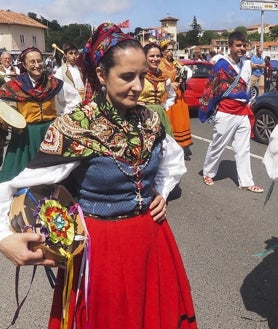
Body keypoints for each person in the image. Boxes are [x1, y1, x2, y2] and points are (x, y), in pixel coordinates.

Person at [0, 23, 198, 329]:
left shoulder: (150, 120)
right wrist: (4, 238)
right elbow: (14, 186)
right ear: (103, 76)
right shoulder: (77, 127)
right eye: (127, 76)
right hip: (100, 250)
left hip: (152, 240)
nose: (137, 86)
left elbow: (171, 162)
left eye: (142, 76)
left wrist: (159, 192)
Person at [0, 47, 81, 182]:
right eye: (32, 62)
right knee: (18, 174)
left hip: (50, 133)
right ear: (24, 65)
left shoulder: (54, 83)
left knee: (52, 173)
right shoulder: (14, 86)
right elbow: (3, 107)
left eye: (39, 61)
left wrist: (64, 120)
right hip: (25, 134)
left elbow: (73, 100)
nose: (37, 65)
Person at [199, 31, 263, 193]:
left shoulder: (245, 64)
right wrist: (206, 108)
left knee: (243, 147)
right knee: (218, 144)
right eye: (238, 45)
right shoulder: (221, 65)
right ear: (230, 46)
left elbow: (247, 87)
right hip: (226, 111)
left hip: (242, 110)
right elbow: (211, 88)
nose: (241, 48)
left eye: (243, 45)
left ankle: (246, 181)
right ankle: (208, 172)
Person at [159, 40, 193, 160]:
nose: (171, 52)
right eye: (168, 49)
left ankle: (180, 148)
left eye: (172, 49)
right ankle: (167, 149)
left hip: (178, 95)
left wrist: (181, 80)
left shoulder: (176, 63)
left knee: (180, 123)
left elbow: (185, 73)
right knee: (168, 122)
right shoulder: (159, 64)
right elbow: (156, 78)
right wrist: (168, 84)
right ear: (162, 51)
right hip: (166, 95)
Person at [138, 42, 175, 136]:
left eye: (158, 56)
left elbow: (171, 96)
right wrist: (135, 104)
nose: (155, 59)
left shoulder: (164, 77)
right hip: (140, 115)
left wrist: (164, 106)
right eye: (152, 56)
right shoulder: (138, 75)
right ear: (144, 57)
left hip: (159, 115)